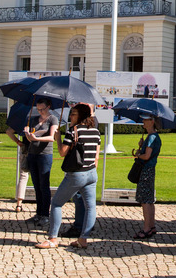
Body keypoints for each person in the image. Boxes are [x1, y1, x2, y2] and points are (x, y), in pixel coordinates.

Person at [35, 103, 99, 249]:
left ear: (81, 115)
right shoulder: (95, 131)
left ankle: (53, 238)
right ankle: (83, 239)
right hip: (91, 173)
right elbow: (96, 152)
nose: (70, 116)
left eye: (74, 114)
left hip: (76, 174)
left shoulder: (73, 131)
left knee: (56, 203)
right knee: (90, 207)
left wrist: (58, 137)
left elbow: (63, 152)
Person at [23, 98, 60, 228]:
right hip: (32, 153)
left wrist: (37, 137)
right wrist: (28, 134)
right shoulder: (34, 119)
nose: (40, 111)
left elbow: (52, 137)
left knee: (44, 185)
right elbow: (29, 138)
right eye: (38, 109)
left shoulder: (52, 119)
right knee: (36, 185)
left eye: (43, 109)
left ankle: (45, 214)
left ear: (48, 107)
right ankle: (38, 213)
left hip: (45, 155)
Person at [133, 115, 161, 239]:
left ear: (152, 121)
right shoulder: (154, 137)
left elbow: (147, 156)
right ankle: (152, 225)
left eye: (146, 120)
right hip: (150, 170)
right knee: (149, 199)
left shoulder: (151, 137)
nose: (143, 122)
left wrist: (138, 154)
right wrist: (141, 146)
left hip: (146, 170)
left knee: (145, 201)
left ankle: (146, 228)